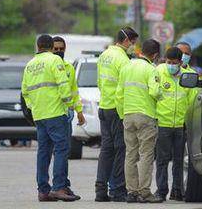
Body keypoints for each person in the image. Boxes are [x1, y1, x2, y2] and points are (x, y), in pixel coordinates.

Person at [22, 34, 79, 202]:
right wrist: (69, 104)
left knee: (43, 152)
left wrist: (33, 107)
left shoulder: (30, 65)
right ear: (50, 46)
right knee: (61, 149)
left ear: (38, 46)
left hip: (39, 115)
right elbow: (63, 84)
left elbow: (25, 91)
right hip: (55, 112)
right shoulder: (55, 61)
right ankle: (59, 187)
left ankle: (43, 191)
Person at [116, 38, 163, 203]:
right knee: (146, 155)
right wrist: (161, 95)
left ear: (141, 50)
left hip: (128, 115)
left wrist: (123, 115)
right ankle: (144, 192)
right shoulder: (151, 69)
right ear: (155, 55)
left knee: (130, 155)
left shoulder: (126, 67)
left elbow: (119, 95)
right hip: (145, 116)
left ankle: (132, 192)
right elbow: (155, 92)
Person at [94, 26, 138, 202]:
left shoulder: (104, 55)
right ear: (126, 40)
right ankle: (118, 190)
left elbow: (99, 82)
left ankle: (100, 189)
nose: (133, 46)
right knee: (121, 149)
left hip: (104, 106)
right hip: (117, 110)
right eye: (133, 42)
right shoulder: (123, 59)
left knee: (106, 150)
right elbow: (125, 88)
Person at [154, 47, 198, 201]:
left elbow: (192, 102)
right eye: (168, 62)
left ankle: (177, 190)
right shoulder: (159, 72)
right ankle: (161, 191)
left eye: (174, 63)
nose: (171, 65)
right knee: (162, 160)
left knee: (179, 160)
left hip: (181, 125)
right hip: (162, 123)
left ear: (180, 62)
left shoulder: (189, 77)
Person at [53, 35, 86, 199]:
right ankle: (56, 186)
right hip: (52, 113)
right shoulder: (49, 67)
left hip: (67, 114)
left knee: (64, 152)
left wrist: (79, 111)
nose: (59, 51)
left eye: (61, 49)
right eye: (56, 49)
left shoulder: (69, 68)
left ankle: (63, 185)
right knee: (55, 152)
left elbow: (74, 91)